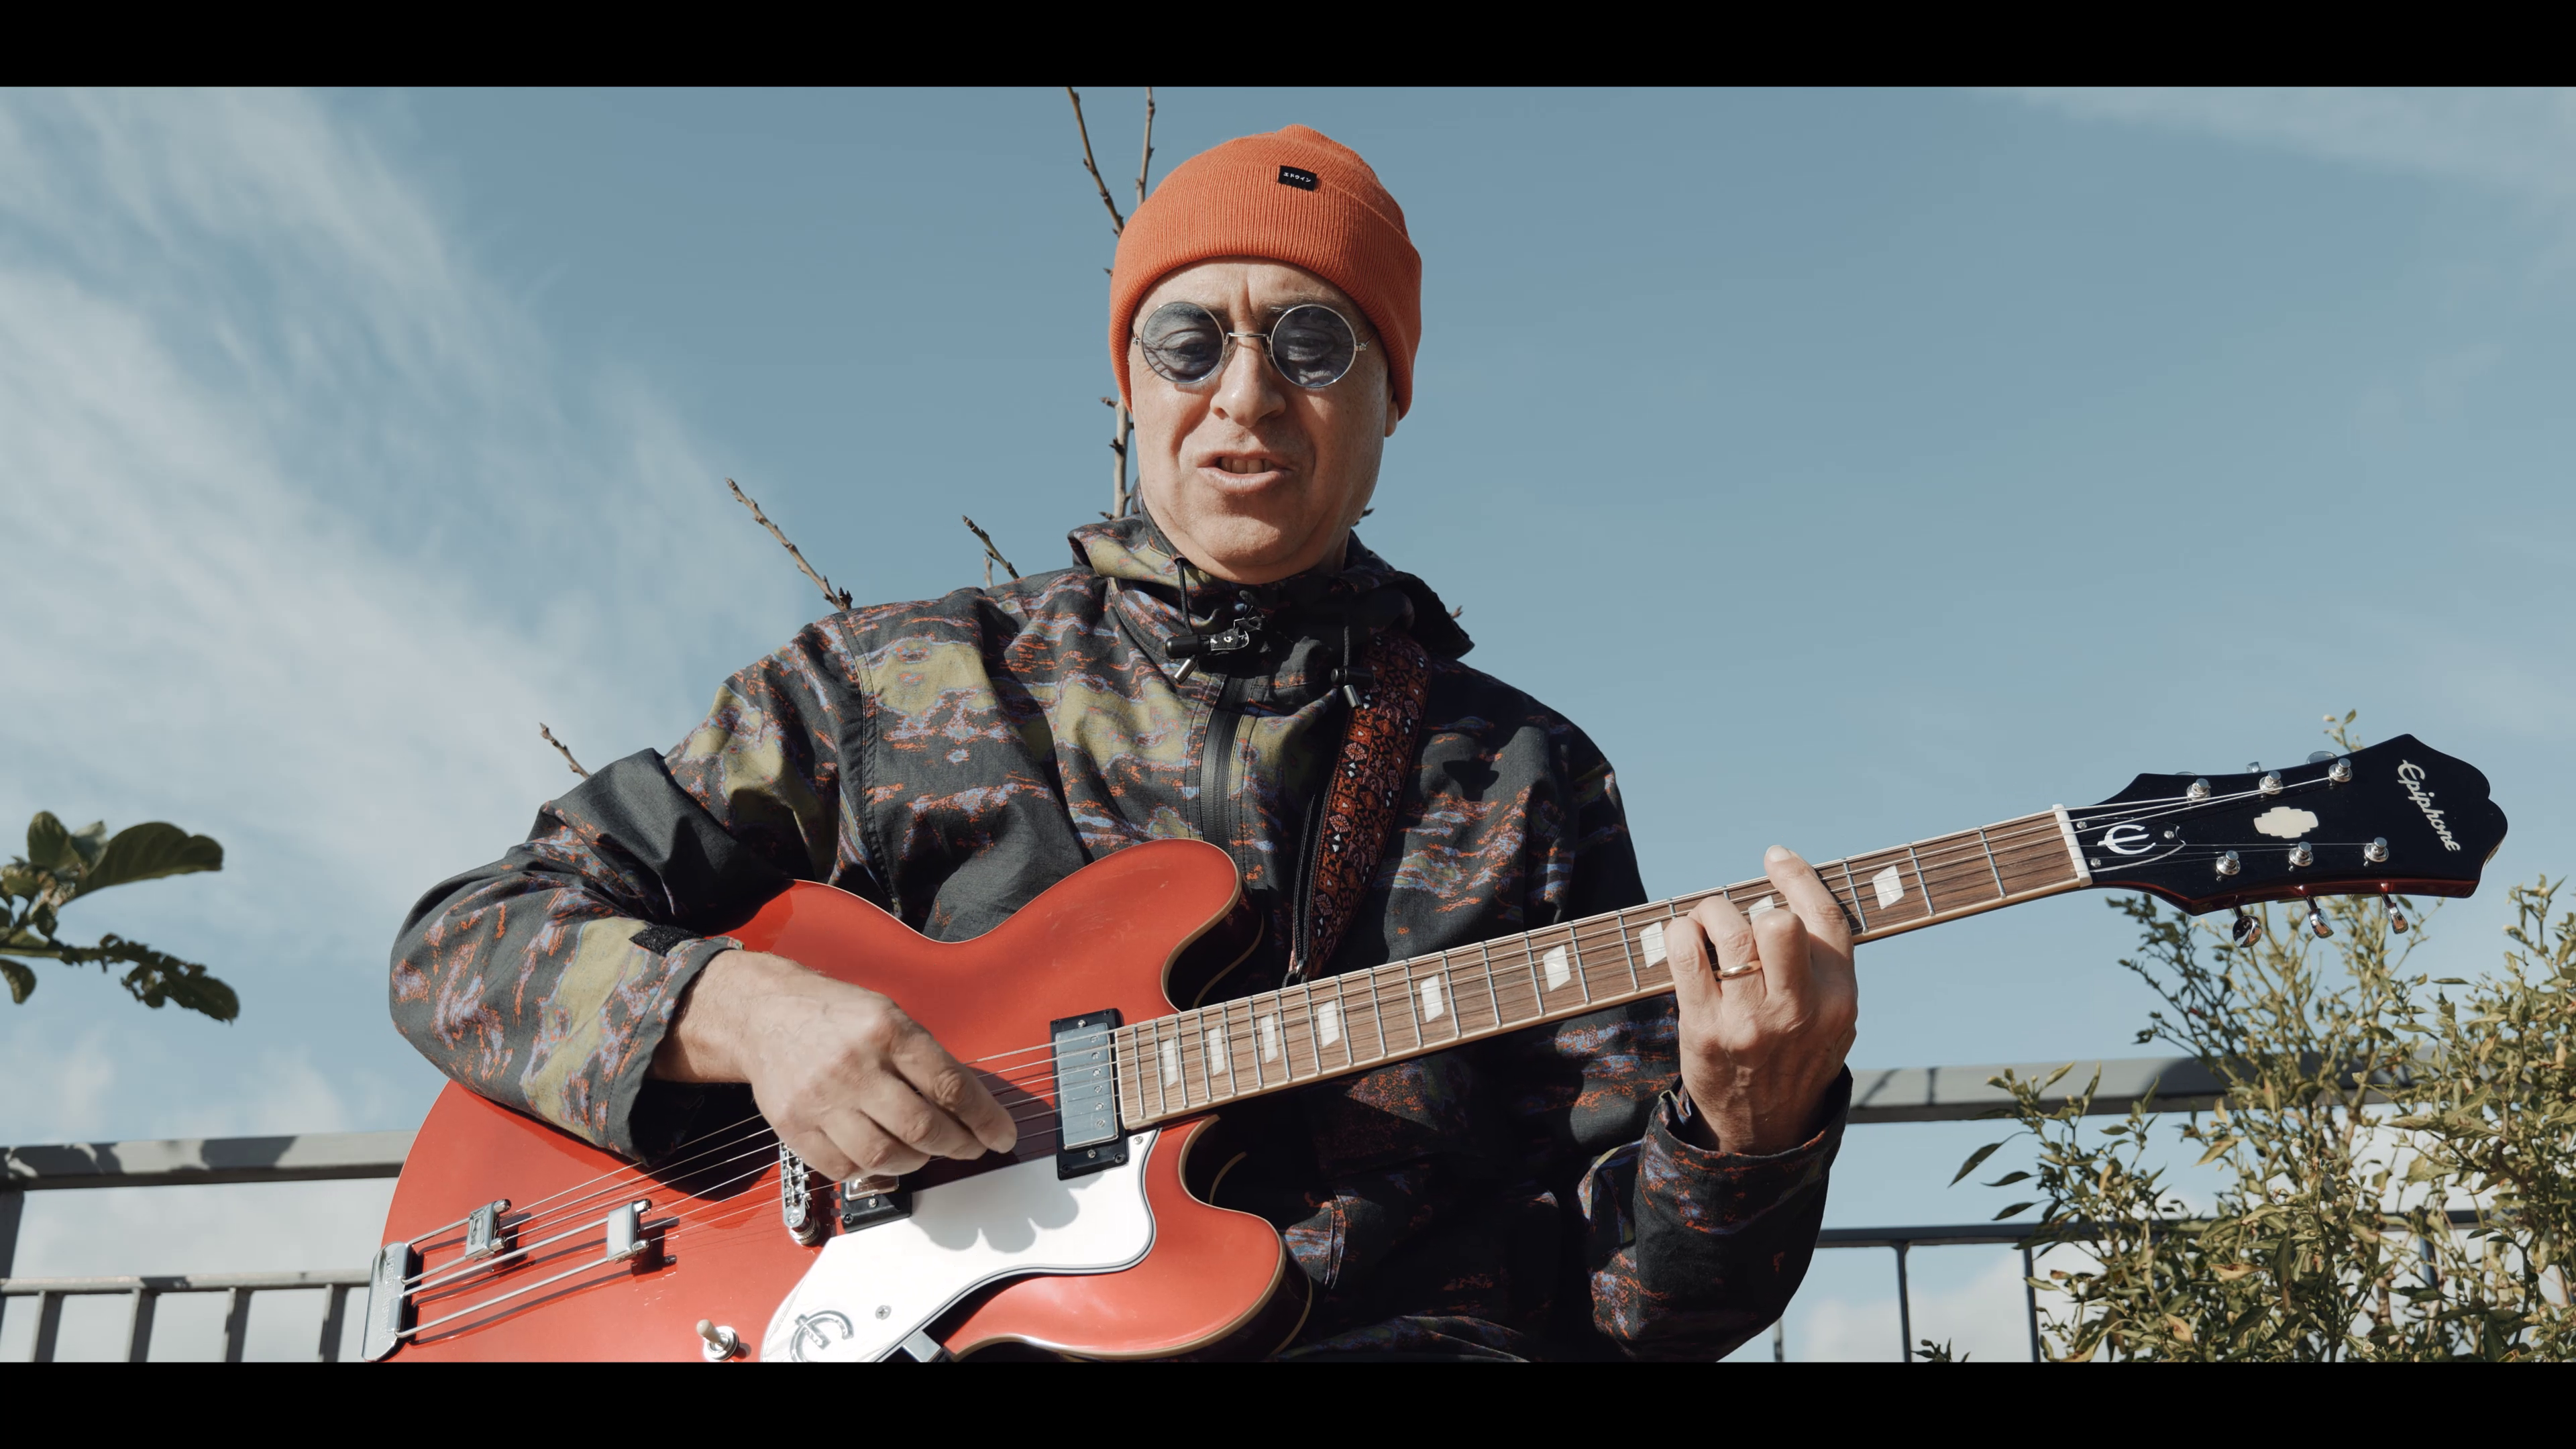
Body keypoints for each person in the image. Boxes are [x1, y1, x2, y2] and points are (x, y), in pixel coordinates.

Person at [392, 124, 1858, 1360]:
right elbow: (465, 941)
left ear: (1392, 393)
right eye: (1189, 341)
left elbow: (1634, 1314)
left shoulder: (1527, 782)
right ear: (1129, 385)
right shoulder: (893, 687)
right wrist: (752, 1016)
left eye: (1312, 341)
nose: (1246, 394)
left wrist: (1746, 1137)